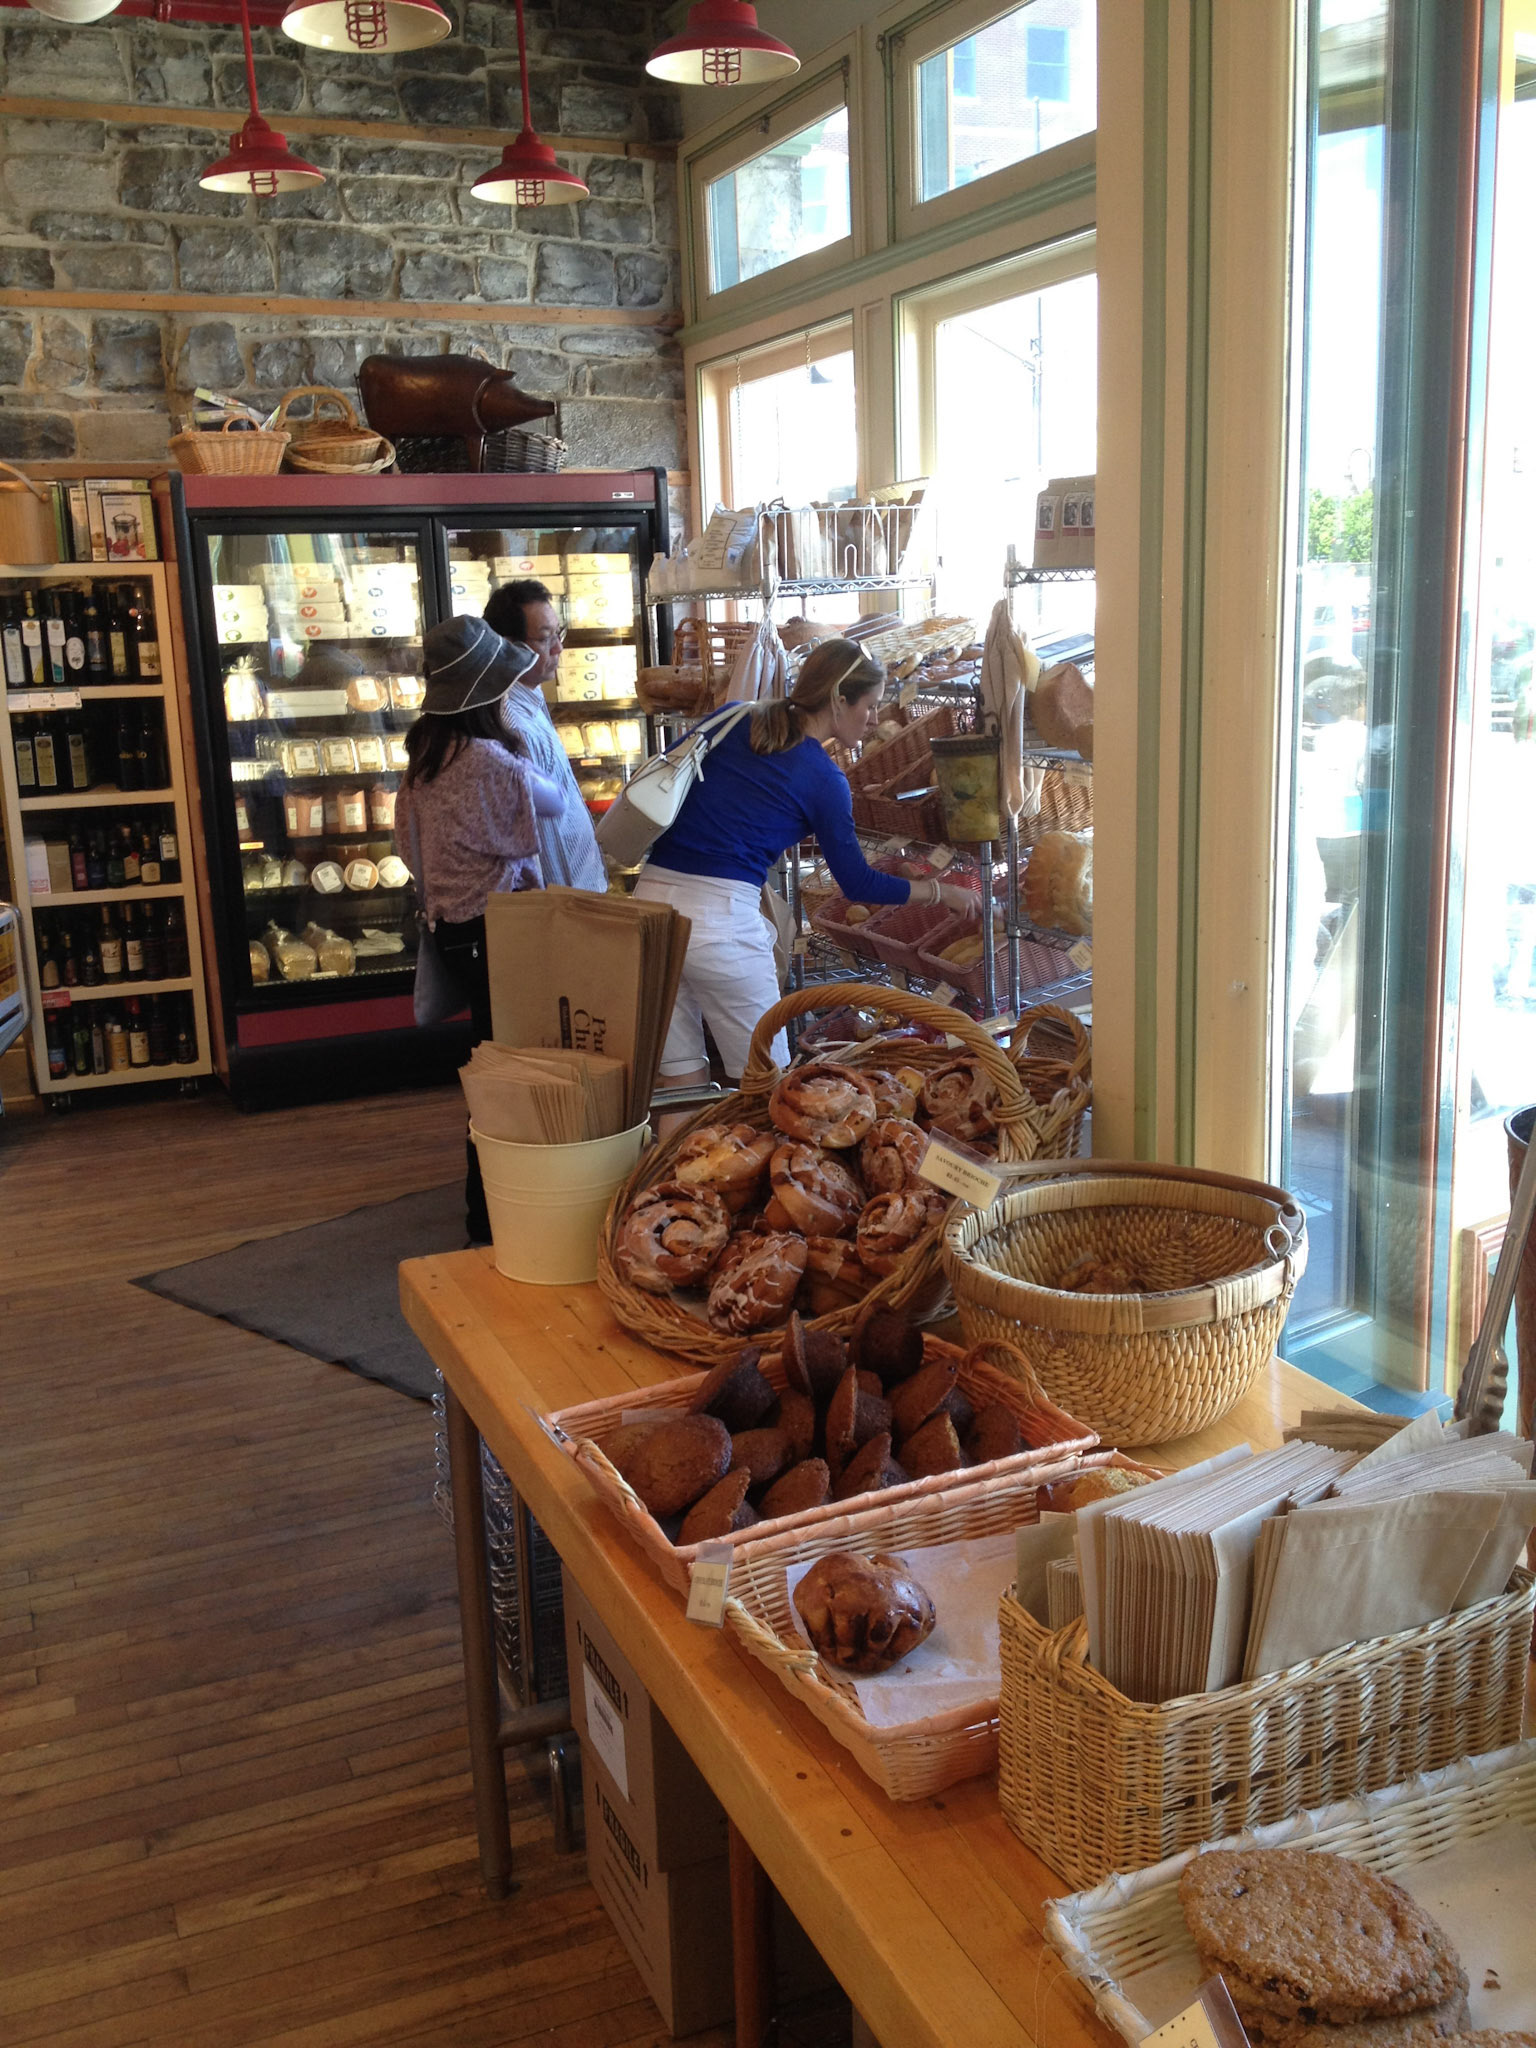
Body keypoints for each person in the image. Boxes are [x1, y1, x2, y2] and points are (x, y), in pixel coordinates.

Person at [632, 637, 978, 1095]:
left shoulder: (733, 716)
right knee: (769, 1088)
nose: (874, 717)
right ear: (838, 698)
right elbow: (856, 881)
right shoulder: (823, 777)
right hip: (719, 926)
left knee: (681, 1079)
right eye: (870, 705)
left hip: (649, 911)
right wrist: (943, 893)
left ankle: (676, 1166)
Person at [396, 614, 567, 1243]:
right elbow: (549, 801)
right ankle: (491, 1217)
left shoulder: (426, 759)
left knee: (487, 1070)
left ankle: (487, 1213)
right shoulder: (489, 759)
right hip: (498, 935)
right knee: (505, 1082)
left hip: (451, 930)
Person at [482, 578, 607, 891]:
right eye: (544, 638)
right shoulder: (515, 725)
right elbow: (542, 831)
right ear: (510, 647)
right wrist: (565, 903)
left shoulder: (532, 702)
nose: (558, 648)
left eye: (558, 633)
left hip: (580, 895)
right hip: (568, 902)